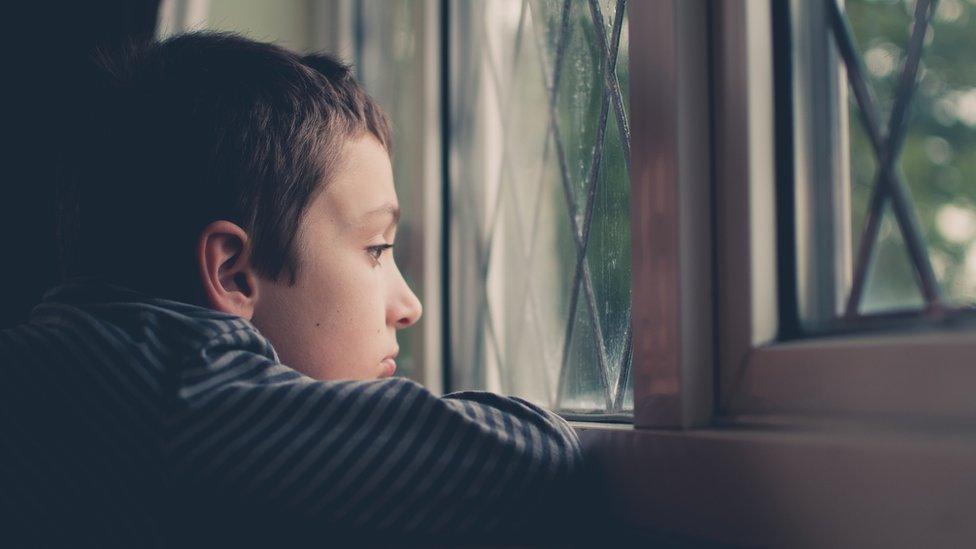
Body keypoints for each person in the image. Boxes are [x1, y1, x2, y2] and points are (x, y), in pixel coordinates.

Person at [0, 32, 583, 547]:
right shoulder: (180, 389)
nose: (410, 307)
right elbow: (529, 456)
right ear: (233, 274)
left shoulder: (71, 362)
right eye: (377, 249)